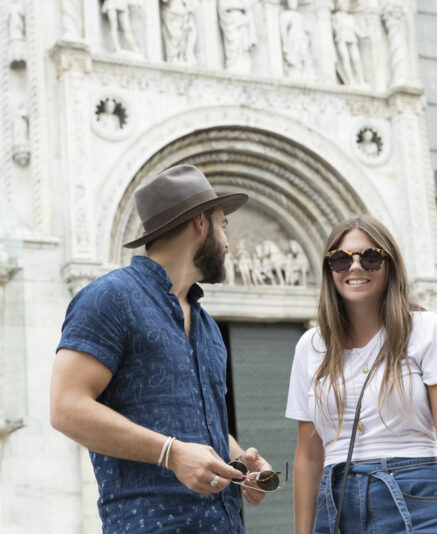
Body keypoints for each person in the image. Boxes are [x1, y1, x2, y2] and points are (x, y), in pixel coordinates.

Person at [50, 164, 273, 533]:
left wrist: (242, 464)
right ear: (200, 224)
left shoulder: (207, 326)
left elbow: (204, 426)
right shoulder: (110, 298)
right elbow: (65, 408)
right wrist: (171, 454)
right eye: (223, 226)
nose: (229, 242)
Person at [287, 215, 437, 534]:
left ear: (389, 264)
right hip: (336, 505)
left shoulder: (426, 330)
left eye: (370, 257)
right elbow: (309, 456)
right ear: (329, 270)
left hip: (416, 495)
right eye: (340, 260)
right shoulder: (310, 347)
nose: (355, 267)